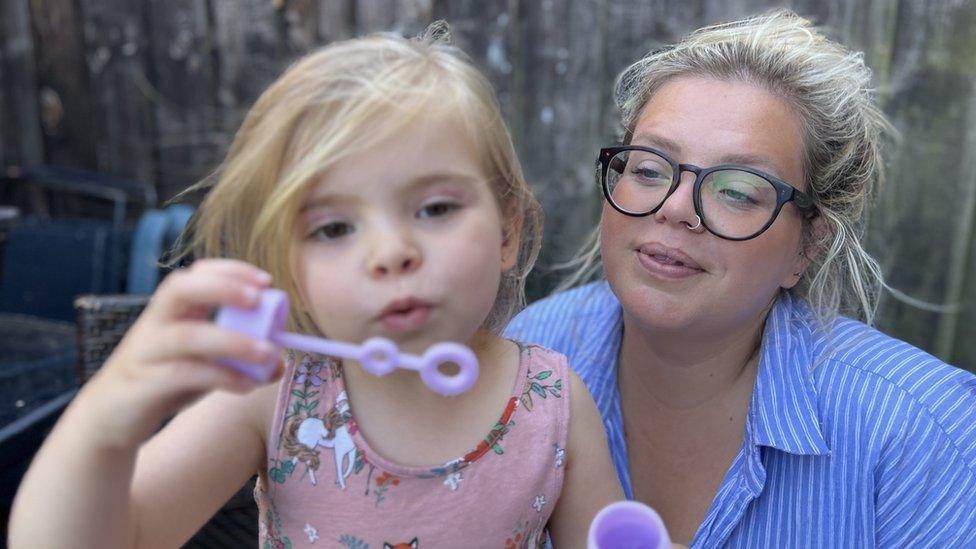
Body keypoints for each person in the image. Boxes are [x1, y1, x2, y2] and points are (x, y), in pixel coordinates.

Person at [8, 24, 623, 548]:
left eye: (434, 209)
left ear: (508, 229)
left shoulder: (551, 400)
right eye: (333, 228)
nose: (390, 253)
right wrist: (104, 419)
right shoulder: (277, 388)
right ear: (289, 264)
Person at [505, 9, 976, 548]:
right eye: (650, 169)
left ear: (809, 244)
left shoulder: (924, 432)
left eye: (736, 190)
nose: (677, 208)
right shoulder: (534, 353)